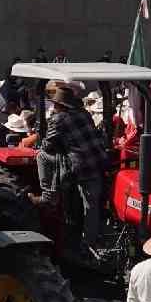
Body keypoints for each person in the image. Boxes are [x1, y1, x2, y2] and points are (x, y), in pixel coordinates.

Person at [34, 84, 108, 257]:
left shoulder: (58, 119)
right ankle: (91, 238)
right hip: (99, 160)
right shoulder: (85, 114)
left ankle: (48, 195)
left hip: (82, 165)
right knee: (93, 204)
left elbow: (47, 145)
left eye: (55, 104)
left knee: (41, 156)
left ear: (60, 106)